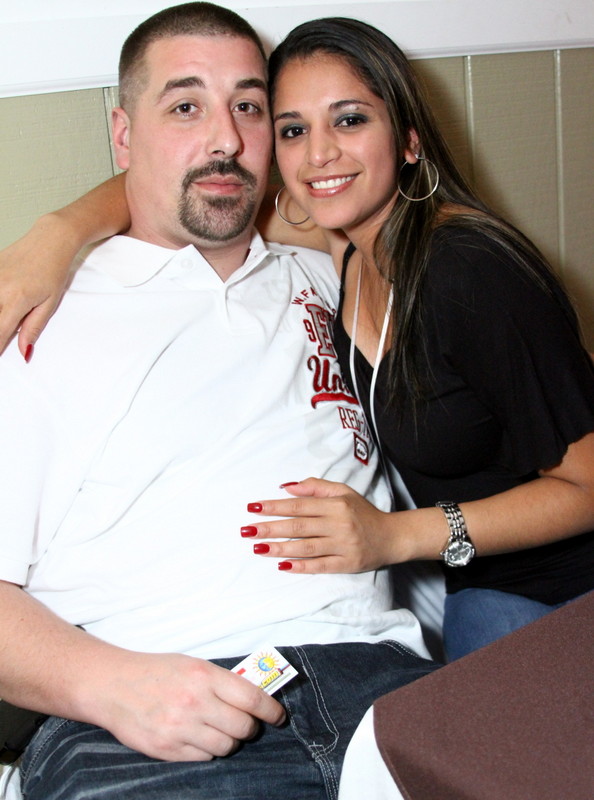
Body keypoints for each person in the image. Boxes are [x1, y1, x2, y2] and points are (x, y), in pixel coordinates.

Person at [0, 5, 439, 800]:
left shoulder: (335, 275)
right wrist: (108, 686)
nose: (225, 140)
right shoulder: (41, 318)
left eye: (248, 106)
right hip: (150, 719)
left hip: (384, 686)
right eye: (185, 106)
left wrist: (68, 221)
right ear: (123, 135)